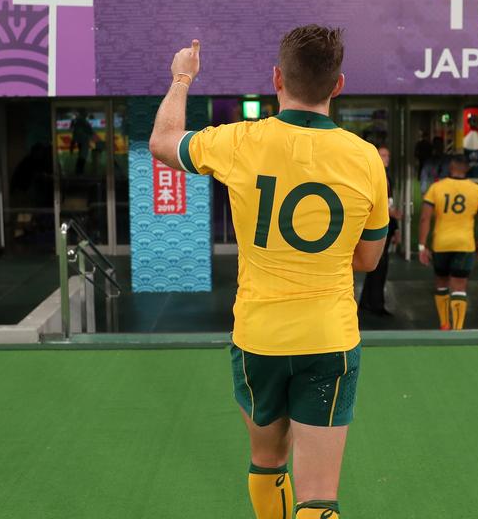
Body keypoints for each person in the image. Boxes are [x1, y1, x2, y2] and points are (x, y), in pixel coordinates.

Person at [149, 26, 387, 519]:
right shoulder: (365, 159)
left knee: (266, 461)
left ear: (276, 77)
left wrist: (181, 77)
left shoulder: (240, 141)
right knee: (319, 496)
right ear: (338, 85)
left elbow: (163, 141)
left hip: (259, 337)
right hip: (328, 338)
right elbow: (367, 260)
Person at [418, 154, 478, 331]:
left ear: (450, 167)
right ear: (467, 168)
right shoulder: (477, 190)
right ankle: (458, 330)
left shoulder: (436, 188)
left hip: (441, 244)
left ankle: (444, 324)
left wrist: (422, 246)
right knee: (459, 286)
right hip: (464, 245)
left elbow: (424, 218)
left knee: (441, 283)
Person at [359, 144, 400, 318]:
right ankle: (375, 303)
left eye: (387, 156)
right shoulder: (375, 176)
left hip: (387, 225)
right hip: (378, 227)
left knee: (380, 266)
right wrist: (394, 214)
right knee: (378, 265)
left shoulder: (386, 177)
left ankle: (369, 300)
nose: (386, 159)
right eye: (382, 155)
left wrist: (396, 226)